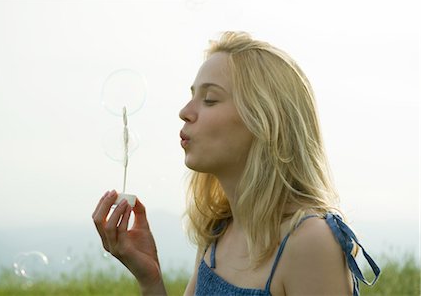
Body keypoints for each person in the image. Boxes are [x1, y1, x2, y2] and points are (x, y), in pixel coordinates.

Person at [92, 31, 380, 295]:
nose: (184, 112)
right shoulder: (218, 233)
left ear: (263, 121)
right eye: (192, 96)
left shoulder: (310, 242)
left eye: (210, 99)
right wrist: (150, 278)